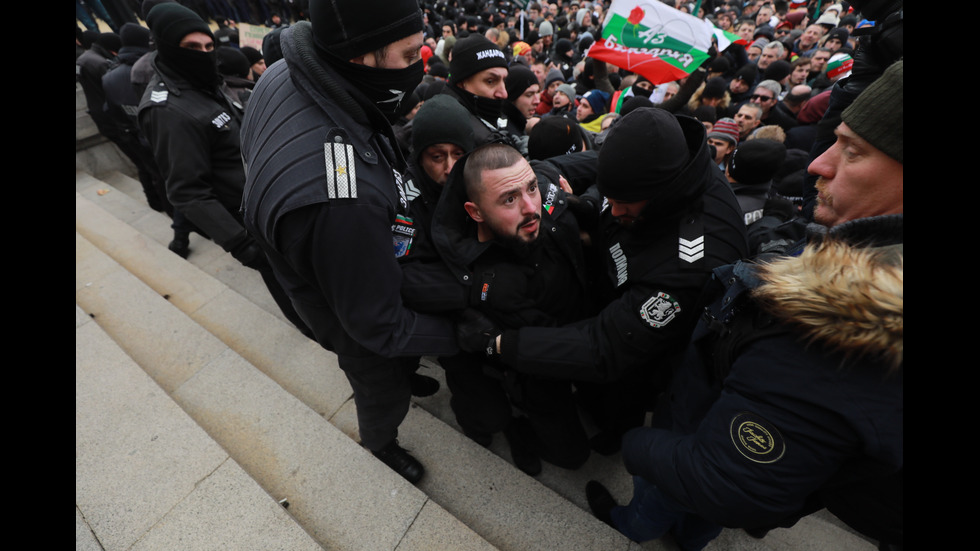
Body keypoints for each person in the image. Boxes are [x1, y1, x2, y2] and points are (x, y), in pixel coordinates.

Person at [585, 58, 903, 551]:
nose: (820, 162)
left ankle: (631, 529)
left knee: (663, 500)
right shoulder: (847, 239)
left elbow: (726, 482)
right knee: (695, 521)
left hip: (696, 437)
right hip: (707, 402)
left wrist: (638, 444)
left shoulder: (841, 327)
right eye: (836, 139)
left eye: (854, 151)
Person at [238, 0, 461, 484]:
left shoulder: (287, 73)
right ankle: (380, 442)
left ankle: (404, 374)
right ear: (362, 57)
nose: (417, 69)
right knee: (380, 385)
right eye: (407, 56)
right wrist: (470, 338)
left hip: (348, 260)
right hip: (351, 310)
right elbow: (378, 327)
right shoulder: (344, 200)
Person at [458, 107, 750, 454]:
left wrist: (502, 344)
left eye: (622, 203)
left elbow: (604, 348)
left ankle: (613, 436)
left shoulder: (691, 263)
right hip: (604, 303)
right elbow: (589, 173)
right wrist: (584, 208)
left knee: (616, 409)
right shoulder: (656, 158)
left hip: (637, 354)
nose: (612, 211)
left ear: (661, 195)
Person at [137, 3, 312, 348]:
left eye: (208, 46)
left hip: (275, 204)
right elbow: (187, 192)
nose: (203, 54)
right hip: (254, 227)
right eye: (191, 48)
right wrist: (243, 245)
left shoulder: (203, 82)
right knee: (300, 295)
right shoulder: (170, 110)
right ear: (167, 47)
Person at [412, 143, 595, 474]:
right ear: (475, 212)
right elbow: (553, 345)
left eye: (531, 189)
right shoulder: (492, 282)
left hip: (582, 324)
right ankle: (520, 426)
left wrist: (591, 208)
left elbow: (604, 159)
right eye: (509, 199)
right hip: (543, 361)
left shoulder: (542, 184)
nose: (530, 207)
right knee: (572, 456)